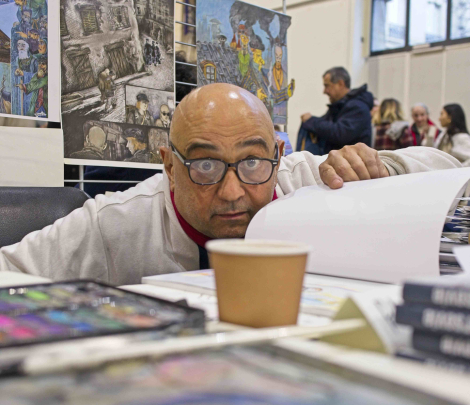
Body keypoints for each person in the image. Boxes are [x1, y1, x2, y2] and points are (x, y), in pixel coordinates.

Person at [0, 84, 461, 285]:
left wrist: (382, 167)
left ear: (277, 156)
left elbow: (448, 167)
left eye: (253, 163)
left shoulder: (309, 182)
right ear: (168, 165)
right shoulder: (115, 223)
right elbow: (10, 273)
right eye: (204, 166)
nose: (234, 192)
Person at [300, 67, 372, 153]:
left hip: (353, 164)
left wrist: (311, 121)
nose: (324, 91)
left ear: (340, 84)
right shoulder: (339, 106)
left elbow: (340, 134)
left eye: (327, 85)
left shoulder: (358, 107)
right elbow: (326, 125)